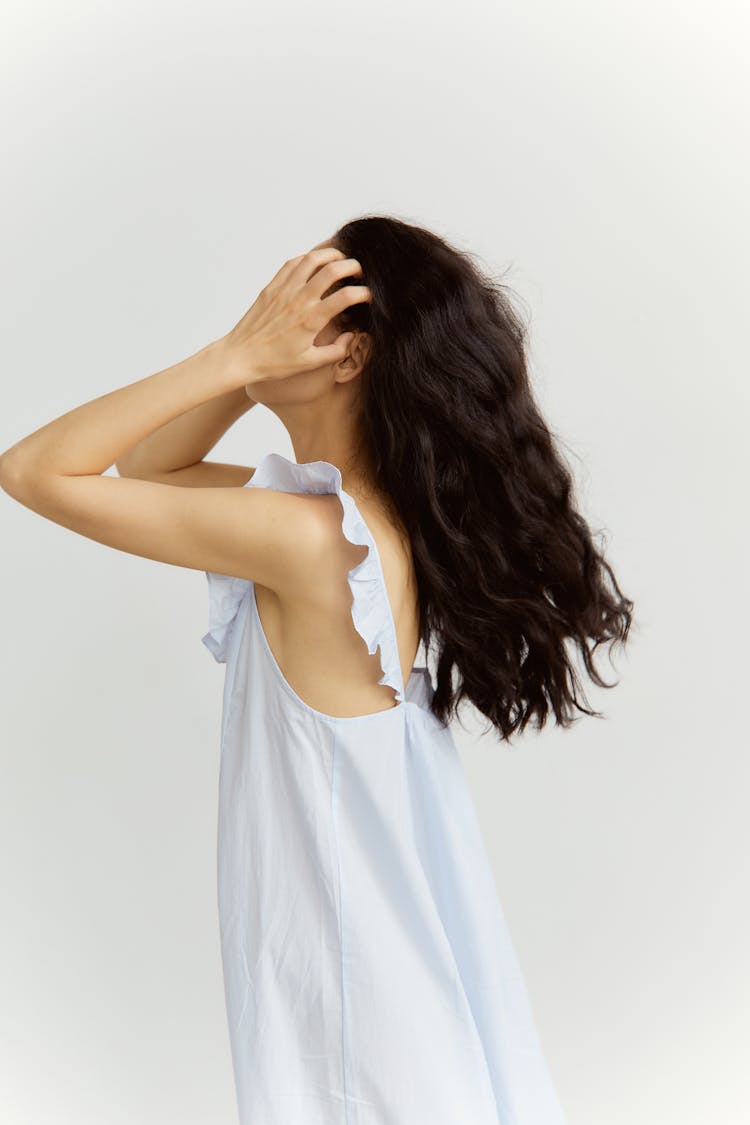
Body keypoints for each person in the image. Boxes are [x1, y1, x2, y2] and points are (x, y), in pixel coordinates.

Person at [0, 214, 633, 1124]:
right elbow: (146, 465)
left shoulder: (307, 539)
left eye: (298, 305)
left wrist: (229, 357)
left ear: (349, 357)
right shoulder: (338, 523)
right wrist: (249, 360)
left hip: (354, 1013)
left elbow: (33, 470)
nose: (268, 315)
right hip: (369, 986)